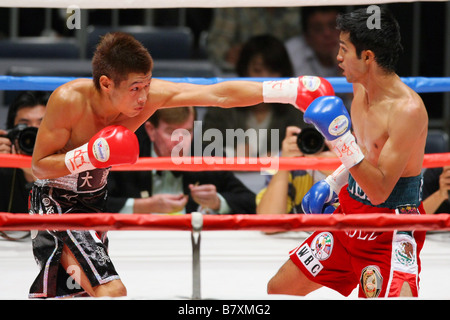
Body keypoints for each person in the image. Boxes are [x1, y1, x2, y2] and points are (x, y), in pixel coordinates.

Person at [28, 31, 334, 298]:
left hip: (94, 203)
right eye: (136, 87)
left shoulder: (148, 95)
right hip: (54, 203)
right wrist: (88, 156)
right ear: (107, 83)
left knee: (73, 292)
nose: (144, 96)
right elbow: (39, 167)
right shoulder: (68, 100)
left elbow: (218, 94)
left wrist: (285, 90)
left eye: (147, 84)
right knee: (111, 291)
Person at [267, 7, 428, 298]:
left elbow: (379, 190)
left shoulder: (407, 110)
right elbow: (364, 156)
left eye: (344, 49)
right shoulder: (360, 91)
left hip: (389, 228)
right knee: (280, 289)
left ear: (367, 56)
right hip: (349, 215)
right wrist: (334, 184)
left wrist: (339, 139)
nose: (337, 57)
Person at [106, 107, 256, 215]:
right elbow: (94, 203)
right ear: (151, 130)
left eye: (187, 132)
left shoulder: (208, 155)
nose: (180, 143)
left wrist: (217, 202)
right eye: (171, 132)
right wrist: (143, 206)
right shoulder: (124, 155)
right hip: (134, 240)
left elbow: (250, 201)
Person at [202, 35, 308, 159]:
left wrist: (280, 157)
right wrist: (231, 153)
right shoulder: (222, 105)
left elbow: (307, 149)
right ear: (244, 71)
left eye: (273, 71)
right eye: (257, 71)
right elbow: (204, 148)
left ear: (283, 73)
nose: (266, 80)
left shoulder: (296, 109)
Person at [0, 91, 50, 240]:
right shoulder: (3, 165)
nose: (34, 132)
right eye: (24, 125)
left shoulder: (68, 162)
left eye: (42, 123)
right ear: (11, 131)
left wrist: (37, 176)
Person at [256, 126, 335, 215]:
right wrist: (284, 165)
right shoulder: (286, 158)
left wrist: (339, 171)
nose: (314, 143)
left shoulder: (350, 159)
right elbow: (268, 220)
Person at [285, 6, 351, 109]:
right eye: (318, 29)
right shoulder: (291, 53)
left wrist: (342, 66)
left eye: (333, 26)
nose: (327, 33)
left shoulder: (360, 51)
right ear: (306, 36)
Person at [206, 7, 301, 73]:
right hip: (242, 78)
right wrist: (227, 54)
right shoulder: (233, 4)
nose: (265, 76)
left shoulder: (303, 4)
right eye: (259, 70)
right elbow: (217, 43)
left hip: (291, 75)